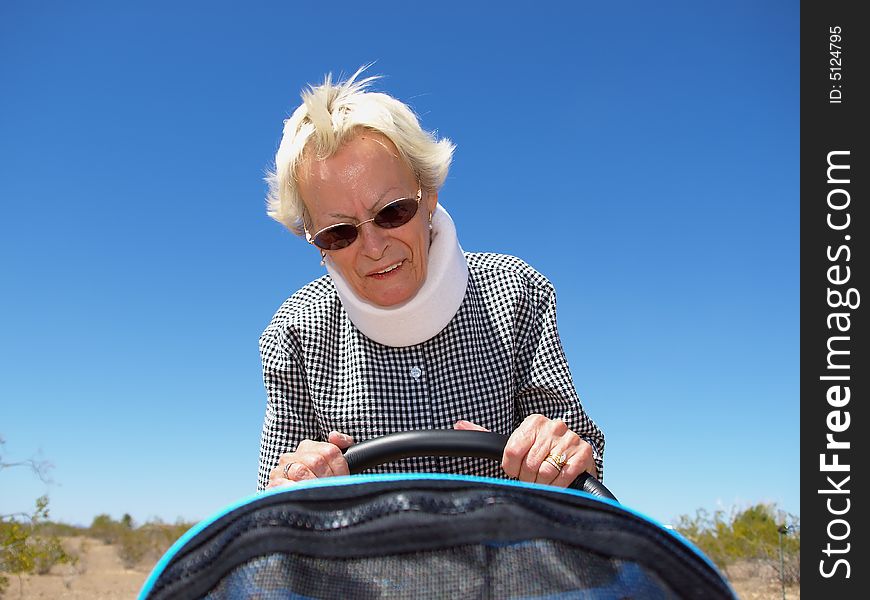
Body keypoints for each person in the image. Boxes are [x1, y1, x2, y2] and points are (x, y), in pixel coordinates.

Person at [258, 67, 604, 491]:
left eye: (392, 212)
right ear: (316, 243)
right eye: (340, 232)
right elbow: (271, 506)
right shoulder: (294, 333)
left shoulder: (517, 292)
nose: (372, 247)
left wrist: (557, 454)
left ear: (430, 195)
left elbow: (585, 468)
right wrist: (294, 478)